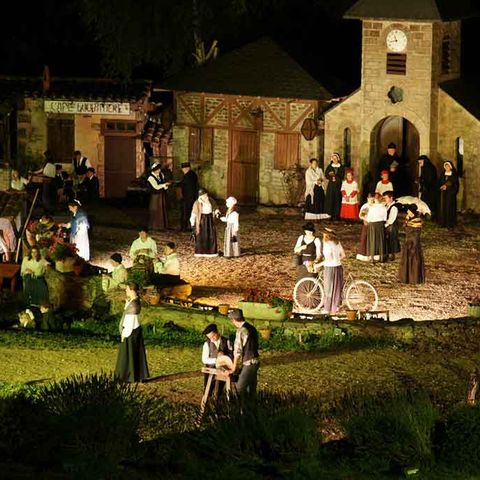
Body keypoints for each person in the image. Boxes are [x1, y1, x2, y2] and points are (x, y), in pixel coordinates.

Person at [115, 282, 150, 383]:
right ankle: (134, 376)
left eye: (127, 289)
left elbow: (130, 320)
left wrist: (124, 334)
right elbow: (127, 313)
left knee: (127, 355)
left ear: (131, 290)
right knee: (133, 354)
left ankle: (127, 376)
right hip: (135, 331)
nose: (126, 290)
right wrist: (127, 303)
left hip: (131, 331)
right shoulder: (134, 301)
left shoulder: (134, 304)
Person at [225, 309, 260, 397]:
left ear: (234, 320)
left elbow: (237, 352)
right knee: (251, 390)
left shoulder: (241, 331)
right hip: (256, 361)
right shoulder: (252, 328)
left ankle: (237, 405)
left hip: (249, 363)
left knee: (239, 390)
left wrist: (233, 368)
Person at [201, 323, 233, 400]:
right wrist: (217, 360)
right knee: (207, 391)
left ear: (217, 332)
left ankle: (218, 404)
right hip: (211, 369)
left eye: (213, 336)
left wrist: (225, 357)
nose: (212, 339)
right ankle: (206, 404)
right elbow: (204, 359)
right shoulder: (207, 344)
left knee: (219, 391)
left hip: (223, 369)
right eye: (209, 337)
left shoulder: (227, 341)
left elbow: (232, 355)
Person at [319, 229, 345, 314]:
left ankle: (327, 308)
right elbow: (343, 255)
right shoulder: (337, 243)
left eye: (324, 234)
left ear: (327, 236)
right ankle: (336, 306)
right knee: (337, 287)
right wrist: (336, 260)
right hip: (338, 267)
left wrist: (318, 265)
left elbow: (329, 259)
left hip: (330, 268)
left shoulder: (326, 244)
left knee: (328, 288)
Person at [399, 204, 425, 284]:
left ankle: (414, 278)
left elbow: (416, 233)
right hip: (408, 242)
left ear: (412, 211)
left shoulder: (417, 220)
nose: (408, 212)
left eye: (409, 211)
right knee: (407, 260)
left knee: (414, 260)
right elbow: (406, 228)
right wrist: (406, 222)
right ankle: (406, 277)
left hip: (413, 243)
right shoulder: (409, 219)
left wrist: (413, 243)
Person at [190, 189, 220, 257]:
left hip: (210, 219)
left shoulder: (211, 200)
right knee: (201, 236)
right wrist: (192, 223)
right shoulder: (197, 203)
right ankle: (200, 252)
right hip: (201, 220)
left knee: (211, 235)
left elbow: (215, 207)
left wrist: (217, 212)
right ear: (201, 196)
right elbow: (193, 213)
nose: (206, 196)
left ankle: (211, 252)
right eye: (204, 195)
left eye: (206, 195)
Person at [147, 162, 170, 230]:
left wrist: (166, 186)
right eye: (158, 169)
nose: (159, 170)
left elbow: (162, 183)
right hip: (155, 196)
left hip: (161, 195)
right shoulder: (151, 178)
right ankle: (154, 225)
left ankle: (162, 225)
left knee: (161, 210)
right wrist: (164, 185)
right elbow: (156, 187)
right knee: (155, 210)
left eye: (159, 169)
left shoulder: (161, 175)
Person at [437, 161, 459, 228]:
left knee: (449, 208)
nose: (446, 167)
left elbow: (455, 185)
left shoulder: (454, 175)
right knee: (442, 207)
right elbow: (439, 182)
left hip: (450, 195)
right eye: (445, 166)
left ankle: (449, 223)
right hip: (443, 194)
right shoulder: (442, 174)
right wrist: (441, 186)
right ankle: (442, 223)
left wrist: (448, 187)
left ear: (450, 167)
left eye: (448, 166)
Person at [366, 194, 387, 262]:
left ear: (375, 199)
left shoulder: (372, 208)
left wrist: (368, 221)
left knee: (372, 240)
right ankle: (381, 256)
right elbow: (385, 218)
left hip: (373, 224)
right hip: (381, 224)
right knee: (380, 240)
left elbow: (369, 218)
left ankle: (372, 257)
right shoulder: (383, 207)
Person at [178, 162, 199, 232]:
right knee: (188, 212)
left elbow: (185, 185)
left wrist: (177, 184)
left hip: (188, 197)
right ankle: (187, 226)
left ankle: (185, 227)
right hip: (190, 197)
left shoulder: (188, 176)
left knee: (186, 212)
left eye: (183, 169)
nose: (183, 170)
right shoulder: (192, 174)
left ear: (187, 168)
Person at [324, 153, 345, 220]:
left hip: (338, 185)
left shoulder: (341, 167)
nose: (334, 159)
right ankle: (331, 214)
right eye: (333, 158)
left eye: (336, 158)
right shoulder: (329, 166)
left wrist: (336, 177)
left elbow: (342, 175)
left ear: (338, 159)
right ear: (332, 159)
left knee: (338, 199)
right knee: (331, 199)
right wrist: (331, 178)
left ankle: (337, 214)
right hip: (331, 185)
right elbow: (326, 174)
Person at [356, 193, 375, 261]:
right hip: (367, 223)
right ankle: (363, 254)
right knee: (365, 238)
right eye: (370, 199)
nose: (371, 200)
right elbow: (362, 215)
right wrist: (365, 220)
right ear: (368, 199)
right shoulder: (366, 206)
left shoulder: (375, 206)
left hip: (374, 224)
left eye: (373, 199)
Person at [383, 191, 401, 261]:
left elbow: (391, 219)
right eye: (384, 198)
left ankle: (392, 255)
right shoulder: (386, 206)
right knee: (387, 240)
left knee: (392, 240)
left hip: (392, 226)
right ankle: (386, 254)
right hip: (387, 225)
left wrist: (385, 225)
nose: (385, 199)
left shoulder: (394, 207)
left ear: (391, 198)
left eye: (386, 198)